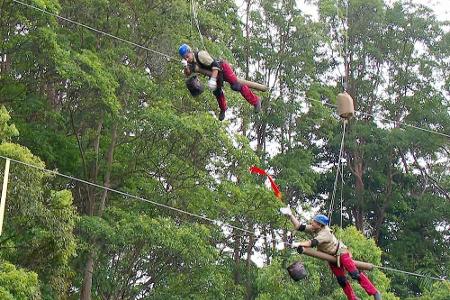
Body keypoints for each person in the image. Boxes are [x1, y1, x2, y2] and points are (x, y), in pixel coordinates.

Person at [280, 205, 382, 300]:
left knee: (354, 274)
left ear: (319, 225)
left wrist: (298, 243)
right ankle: (352, 298)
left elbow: (312, 243)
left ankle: (374, 292)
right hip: (330, 256)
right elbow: (299, 227)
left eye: (314, 222)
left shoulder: (325, 233)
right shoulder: (315, 228)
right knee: (341, 280)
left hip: (341, 252)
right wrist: (290, 215)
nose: (311, 222)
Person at [178, 44, 261, 121]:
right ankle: (223, 109)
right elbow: (188, 73)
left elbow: (216, 65)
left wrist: (213, 79)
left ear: (190, 52)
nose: (187, 59)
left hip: (222, 67)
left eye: (187, 56)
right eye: (185, 58)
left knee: (236, 86)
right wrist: (185, 66)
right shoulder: (190, 62)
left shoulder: (201, 55)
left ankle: (256, 101)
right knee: (217, 91)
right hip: (214, 73)